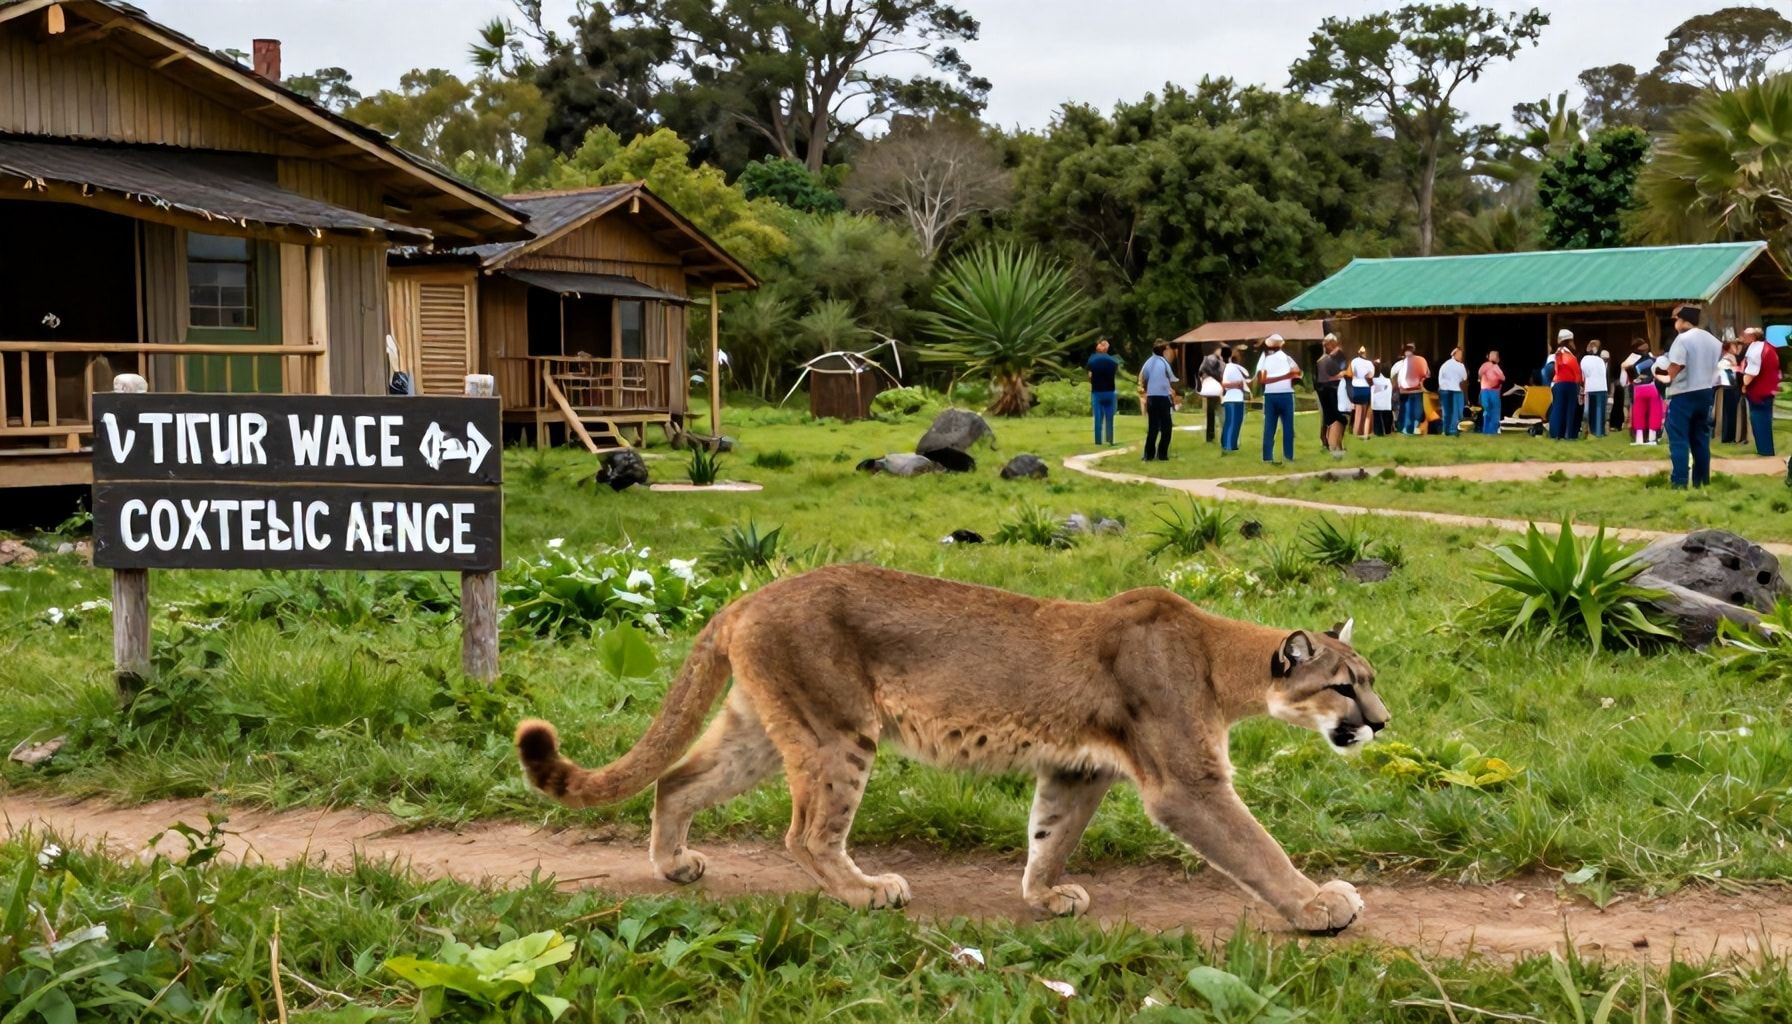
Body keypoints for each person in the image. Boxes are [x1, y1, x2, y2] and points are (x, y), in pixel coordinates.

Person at [1658, 305, 1722, 488]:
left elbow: (1675, 368)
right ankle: (1702, 480)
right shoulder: (1713, 341)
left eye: (1676, 319)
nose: (1675, 323)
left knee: (1679, 438)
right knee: (1700, 438)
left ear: (1684, 320)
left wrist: (1660, 370)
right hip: (1705, 391)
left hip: (1684, 392)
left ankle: (1679, 480)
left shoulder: (1682, 339)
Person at [1254, 333, 1301, 464]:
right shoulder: (1287, 358)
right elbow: (1297, 372)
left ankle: (1267, 457)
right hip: (1286, 394)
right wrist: (1286, 377)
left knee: (1269, 427)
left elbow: (1260, 377)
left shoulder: (1264, 358)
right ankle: (1288, 456)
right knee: (1288, 427)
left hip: (1270, 395)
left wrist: (1271, 380)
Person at [1742, 326, 1780, 457]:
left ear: (1753, 337)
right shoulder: (1768, 347)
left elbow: (1751, 372)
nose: (1743, 337)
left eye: (1745, 335)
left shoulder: (1756, 349)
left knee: (1759, 420)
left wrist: (1743, 384)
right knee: (1764, 419)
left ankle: (1765, 451)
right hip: (1768, 389)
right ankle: (1766, 449)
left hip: (1758, 391)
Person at [1138, 341, 1179, 462]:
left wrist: (1146, 389)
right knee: (1166, 426)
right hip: (1163, 397)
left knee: (1153, 427)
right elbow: (1172, 378)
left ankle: (1148, 454)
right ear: (1163, 351)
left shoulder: (1148, 362)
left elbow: (1143, 377)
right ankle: (1162, 454)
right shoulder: (1164, 362)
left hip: (1151, 397)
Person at [1625, 339, 1664, 446]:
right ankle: (1652, 439)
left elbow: (1630, 379)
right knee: (1654, 413)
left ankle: (1639, 439)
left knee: (1638, 413)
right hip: (1652, 388)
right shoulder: (1653, 360)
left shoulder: (1631, 362)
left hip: (1638, 389)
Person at [1548, 331, 1584, 440]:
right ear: (1568, 341)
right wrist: (1579, 384)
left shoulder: (1557, 353)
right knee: (1569, 410)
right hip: (1568, 384)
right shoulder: (1566, 354)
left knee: (1558, 409)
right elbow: (1575, 370)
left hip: (1559, 384)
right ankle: (1569, 434)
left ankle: (1557, 434)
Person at [1315, 333, 1348, 453]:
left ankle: (1332, 444)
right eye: (1333, 345)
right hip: (1329, 392)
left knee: (1329, 419)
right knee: (1337, 419)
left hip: (1326, 392)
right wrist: (1343, 373)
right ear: (1329, 345)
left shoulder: (1324, 360)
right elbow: (1334, 375)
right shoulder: (1326, 360)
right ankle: (1334, 446)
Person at [1085, 338, 1120, 446]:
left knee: (1098, 417)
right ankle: (1110, 439)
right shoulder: (1113, 361)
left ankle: (1098, 441)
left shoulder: (1092, 360)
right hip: (1110, 391)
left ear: (1100, 347)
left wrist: (1093, 382)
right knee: (1109, 417)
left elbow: (1090, 375)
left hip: (1097, 391)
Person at [1219, 345, 1251, 453]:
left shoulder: (1237, 369)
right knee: (1232, 422)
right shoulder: (1230, 367)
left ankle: (1231, 444)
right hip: (1232, 399)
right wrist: (1237, 384)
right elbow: (1224, 384)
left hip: (1238, 399)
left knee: (1236, 422)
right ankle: (1228, 446)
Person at [1396, 343, 1430, 435]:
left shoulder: (1404, 362)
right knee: (1413, 410)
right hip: (1412, 390)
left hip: (1410, 390)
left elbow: (1426, 374)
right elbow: (1426, 374)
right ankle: (1410, 428)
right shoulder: (1419, 360)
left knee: (1411, 411)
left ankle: (1410, 429)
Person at [1716, 339, 1745, 445]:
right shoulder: (1726, 359)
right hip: (1730, 388)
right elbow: (1735, 369)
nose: (1736, 348)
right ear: (1728, 348)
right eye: (1733, 346)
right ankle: (1728, 437)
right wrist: (1741, 366)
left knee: (1731, 413)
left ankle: (1729, 436)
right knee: (1730, 414)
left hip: (1731, 388)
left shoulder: (1731, 357)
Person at [1580, 341, 1609, 438]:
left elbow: (1585, 373)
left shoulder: (1585, 359)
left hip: (1591, 387)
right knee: (1600, 411)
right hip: (1602, 387)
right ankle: (1599, 431)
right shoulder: (1600, 360)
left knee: (1591, 412)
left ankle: (1593, 431)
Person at [1198, 344, 1226, 444]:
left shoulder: (1207, 361)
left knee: (1211, 414)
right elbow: (1222, 375)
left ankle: (1210, 437)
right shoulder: (1217, 361)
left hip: (1210, 390)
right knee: (1219, 413)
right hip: (1216, 389)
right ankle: (1221, 435)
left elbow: (1200, 372)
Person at [1437, 346, 1467, 437]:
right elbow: (1464, 377)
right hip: (1455, 390)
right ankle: (1452, 430)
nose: (1461, 356)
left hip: (1444, 390)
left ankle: (1446, 430)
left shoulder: (1445, 364)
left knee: (1447, 411)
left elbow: (1441, 377)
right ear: (1454, 354)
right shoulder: (1460, 366)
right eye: (1460, 354)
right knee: (1455, 411)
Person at [1348, 346, 1376, 440]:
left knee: (1358, 411)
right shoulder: (1369, 363)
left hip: (1356, 387)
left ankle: (1356, 430)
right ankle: (1365, 431)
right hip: (1365, 388)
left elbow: (1350, 373)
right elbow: (1371, 376)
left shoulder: (1353, 361)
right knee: (1366, 412)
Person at [1477, 350, 1506, 435]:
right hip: (1489, 391)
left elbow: (1502, 378)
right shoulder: (1489, 366)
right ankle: (1489, 431)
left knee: (1490, 411)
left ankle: (1490, 431)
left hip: (1490, 391)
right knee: (1490, 411)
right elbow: (1503, 378)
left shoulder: (1491, 366)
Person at [1370, 362, 1394, 437]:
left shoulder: (1373, 380)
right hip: (1386, 403)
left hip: (1376, 403)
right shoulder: (1387, 380)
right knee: (1387, 416)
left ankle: (1378, 432)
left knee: (1377, 418)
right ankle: (1388, 431)